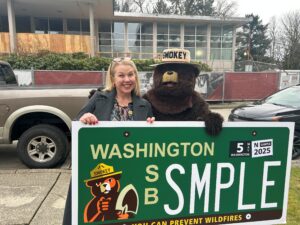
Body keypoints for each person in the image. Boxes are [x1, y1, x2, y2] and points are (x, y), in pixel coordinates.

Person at [62, 57, 153, 224]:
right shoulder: (98, 98)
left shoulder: (145, 105)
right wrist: (85, 118)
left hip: (132, 171)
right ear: (113, 78)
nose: (127, 80)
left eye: (131, 75)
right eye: (121, 75)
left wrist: (151, 126)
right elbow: (77, 122)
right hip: (102, 172)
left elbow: (149, 143)